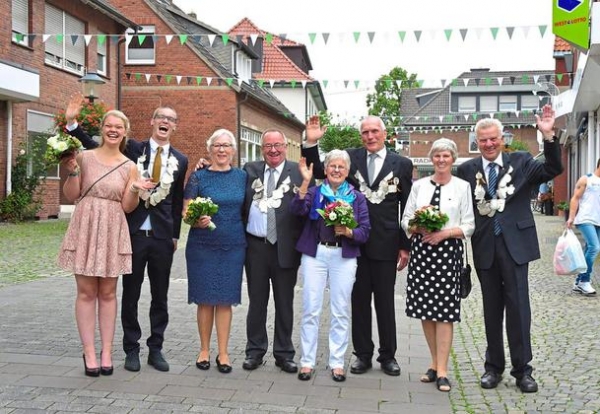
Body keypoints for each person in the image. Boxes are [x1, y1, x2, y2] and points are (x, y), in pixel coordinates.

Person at [65, 95, 189, 372]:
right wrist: (72, 125)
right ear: (152, 122)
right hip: (129, 232)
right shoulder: (133, 148)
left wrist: (175, 235)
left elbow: (178, 198)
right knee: (129, 294)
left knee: (160, 295)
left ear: (175, 126)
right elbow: (95, 147)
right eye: (161, 118)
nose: (165, 122)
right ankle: (130, 349)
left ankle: (156, 348)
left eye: (171, 119)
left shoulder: (181, 158)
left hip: (161, 235)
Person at [456, 104, 563, 393]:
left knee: (518, 309)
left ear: (503, 138)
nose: (489, 144)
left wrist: (549, 136)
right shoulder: (467, 170)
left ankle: (522, 370)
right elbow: (456, 206)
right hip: (485, 247)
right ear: (477, 142)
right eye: (483, 140)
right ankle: (493, 368)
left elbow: (553, 168)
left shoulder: (522, 160)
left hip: (516, 245)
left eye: (494, 139)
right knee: (491, 309)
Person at [303, 115, 413, 377]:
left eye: (375, 131)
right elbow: (317, 170)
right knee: (359, 301)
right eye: (365, 132)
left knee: (385, 302)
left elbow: (407, 206)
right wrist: (311, 142)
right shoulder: (350, 158)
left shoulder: (402, 163)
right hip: (351, 244)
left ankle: (388, 356)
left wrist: (404, 245)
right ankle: (362, 354)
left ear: (384, 133)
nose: (370, 136)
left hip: (386, 244)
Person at [57, 110, 153, 376]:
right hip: (86, 224)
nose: (113, 130)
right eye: (108, 125)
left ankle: (107, 351)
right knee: (86, 292)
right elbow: (72, 195)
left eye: (118, 127)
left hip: (112, 226)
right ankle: (89, 352)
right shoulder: (84, 157)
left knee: (108, 293)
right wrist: (73, 173)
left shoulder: (129, 165)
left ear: (125, 131)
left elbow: (127, 207)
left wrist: (134, 189)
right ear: (102, 129)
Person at [401, 138, 475, 392]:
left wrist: (444, 233)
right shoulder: (419, 186)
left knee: (444, 312)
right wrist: (417, 227)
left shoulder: (463, 187)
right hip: (422, 251)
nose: (441, 160)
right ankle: (433, 363)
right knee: (425, 310)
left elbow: (469, 225)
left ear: (453, 159)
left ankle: (443, 370)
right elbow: (406, 219)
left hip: (447, 252)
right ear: (432, 159)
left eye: (446, 156)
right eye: (437, 156)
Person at [290, 151, 370, 382]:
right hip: (315, 254)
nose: (336, 170)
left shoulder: (357, 197)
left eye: (341, 167)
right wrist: (305, 181)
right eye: (332, 166)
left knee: (340, 310)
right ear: (325, 170)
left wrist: (349, 232)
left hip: (343, 257)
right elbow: (297, 210)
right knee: (311, 308)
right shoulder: (315, 192)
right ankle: (307, 361)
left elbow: (365, 231)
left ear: (347, 171)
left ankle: (336, 362)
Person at [242, 130, 306, 373]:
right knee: (257, 301)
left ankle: (284, 353)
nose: (273, 150)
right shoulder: (249, 170)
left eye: (277, 145)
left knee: (284, 302)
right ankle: (254, 351)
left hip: (285, 248)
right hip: (255, 247)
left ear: (285, 146)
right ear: (261, 148)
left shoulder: (299, 172)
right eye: (268, 146)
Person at [184, 129, 247, 374]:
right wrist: (195, 219)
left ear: (233, 150)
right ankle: (203, 349)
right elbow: (186, 210)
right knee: (205, 299)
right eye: (217, 145)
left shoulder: (242, 176)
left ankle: (223, 352)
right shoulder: (198, 177)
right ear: (209, 149)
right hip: (202, 246)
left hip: (233, 245)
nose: (221, 150)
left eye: (226, 145)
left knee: (224, 300)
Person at [566, 158, 600, 295]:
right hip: (585, 219)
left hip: (598, 220)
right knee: (594, 247)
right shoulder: (586, 179)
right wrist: (571, 218)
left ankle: (579, 281)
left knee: (589, 248)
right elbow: (575, 198)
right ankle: (585, 281)